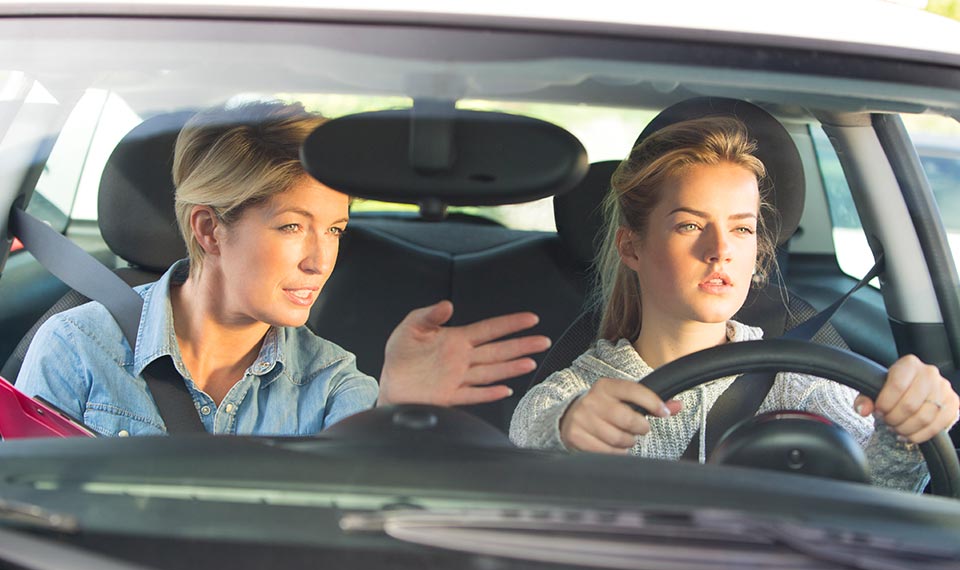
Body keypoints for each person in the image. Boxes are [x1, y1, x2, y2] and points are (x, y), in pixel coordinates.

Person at [15, 100, 550, 436]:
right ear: (208, 229)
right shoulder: (77, 349)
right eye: (293, 226)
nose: (320, 261)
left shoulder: (333, 384)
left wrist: (392, 411)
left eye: (335, 229)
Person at [509, 115, 959, 492]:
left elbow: (877, 498)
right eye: (689, 225)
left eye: (741, 229)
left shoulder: (803, 382)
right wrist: (567, 436)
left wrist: (908, 428)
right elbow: (532, 450)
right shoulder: (570, 396)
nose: (720, 249)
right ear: (632, 248)